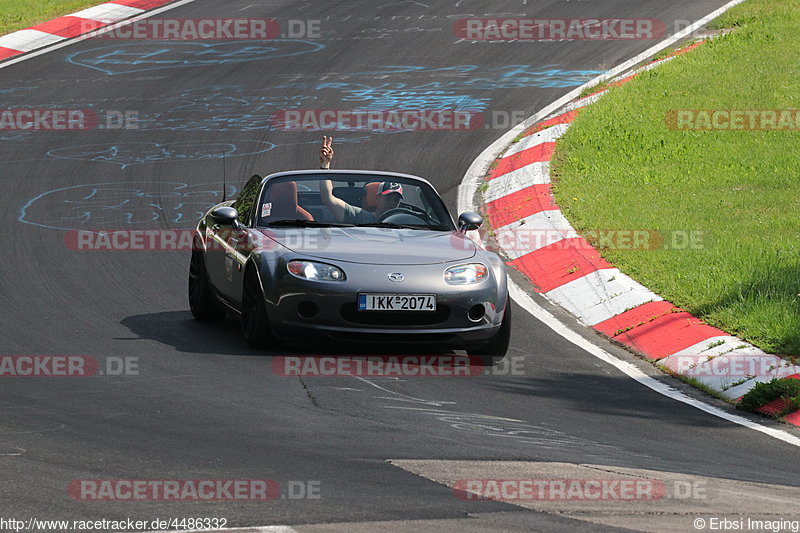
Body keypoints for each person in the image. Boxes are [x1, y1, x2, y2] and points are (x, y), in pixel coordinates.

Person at [318, 136, 403, 224]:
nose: (392, 202)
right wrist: (325, 165)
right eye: (388, 198)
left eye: (396, 199)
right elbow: (328, 199)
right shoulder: (361, 216)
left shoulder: (407, 221)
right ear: (378, 197)